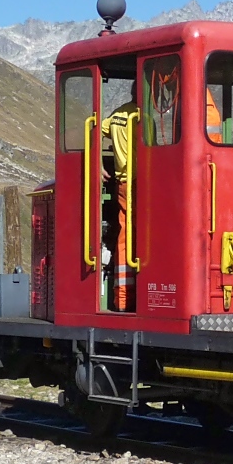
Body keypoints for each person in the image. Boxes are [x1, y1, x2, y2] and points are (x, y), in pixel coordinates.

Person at [101, 82, 138, 312]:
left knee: (126, 234)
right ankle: (127, 298)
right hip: (139, 182)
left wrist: (96, 163)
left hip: (122, 183)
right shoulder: (144, 117)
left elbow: (95, 130)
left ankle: (122, 298)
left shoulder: (117, 115)